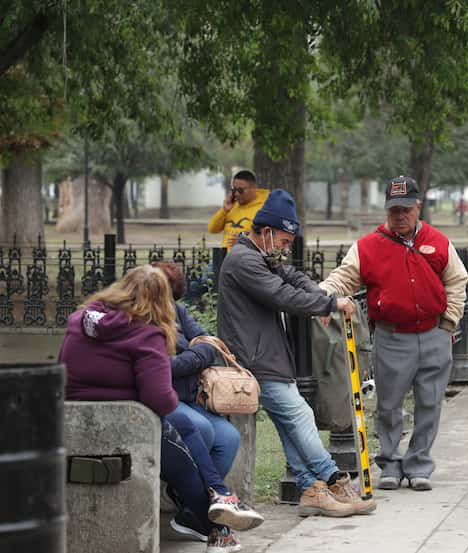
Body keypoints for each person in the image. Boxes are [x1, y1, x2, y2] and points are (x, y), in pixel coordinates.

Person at [59, 265, 263, 552]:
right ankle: (219, 521)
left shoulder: (81, 320)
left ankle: (221, 501)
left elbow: (65, 369)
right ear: (161, 300)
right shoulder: (146, 333)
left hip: (73, 416)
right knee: (183, 442)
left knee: (184, 427)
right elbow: (161, 399)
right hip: (128, 420)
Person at [217, 189, 376, 517]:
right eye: (285, 241)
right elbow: (281, 295)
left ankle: (309, 489)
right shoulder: (244, 260)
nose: (286, 247)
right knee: (299, 415)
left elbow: (292, 278)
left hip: (262, 356)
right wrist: (329, 304)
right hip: (254, 361)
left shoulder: (258, 256)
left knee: (289, 423)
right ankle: (334, 479)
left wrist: (322, 295)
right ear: (268, 232)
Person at [320, 176, 468, 491]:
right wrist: (322, 298)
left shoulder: (439, 241)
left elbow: (457, 280)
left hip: (434, 333)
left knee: (430, 403)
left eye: (405, 209)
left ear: (418, 206)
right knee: (389, 404)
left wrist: (448, 323)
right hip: (392, 336)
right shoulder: (368, 247)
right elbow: (342, 278)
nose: (400, 216)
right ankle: (390, 462)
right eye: (393, 210)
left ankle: (419, 465)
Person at [153, 261, 242, 540]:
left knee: (228, 437)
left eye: (167, 290)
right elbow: (160, 367)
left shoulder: (179, 313)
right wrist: (191, 360)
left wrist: (187, 359)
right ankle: (197, 502)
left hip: (191, 397)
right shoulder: (140, 318)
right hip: (165, 397)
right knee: (203, 429)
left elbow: (208, 343)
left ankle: (190, 509)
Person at [208, 169, 268, 249]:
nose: (236, 194)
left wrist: (243, 241)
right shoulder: (232, 206)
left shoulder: (264, 208)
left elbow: (267, 240)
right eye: (234, 190)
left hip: (247, 258)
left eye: (240, 190)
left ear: (253, 188)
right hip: (226, 257)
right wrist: (224, 210)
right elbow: (212, 229)